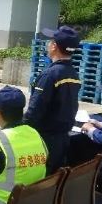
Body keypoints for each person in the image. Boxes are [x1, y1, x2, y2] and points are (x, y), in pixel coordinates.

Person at [24, 26, 81, 174]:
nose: (48, 44)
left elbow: (35, 110)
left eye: (50, 41)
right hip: (63, 138)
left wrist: (18, 131)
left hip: (44, 140)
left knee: (43, 177)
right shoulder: (73, 74)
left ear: (54, 46)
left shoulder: (50, 75)